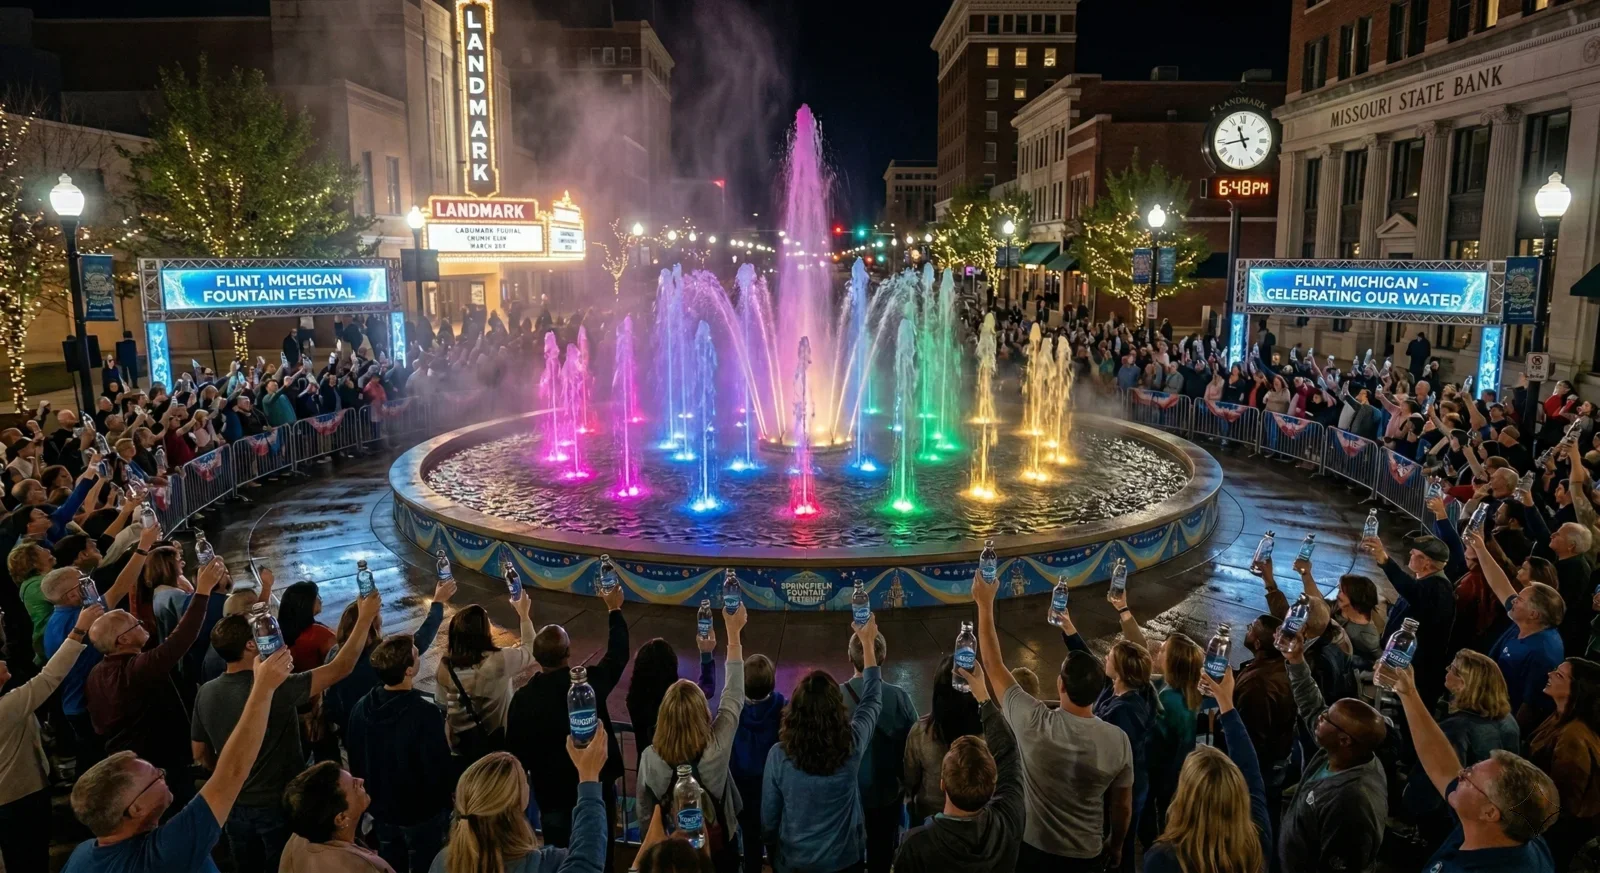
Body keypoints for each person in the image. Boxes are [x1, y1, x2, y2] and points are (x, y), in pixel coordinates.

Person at [188, 591, 380, 873]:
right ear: (252, 646)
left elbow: (200, 754)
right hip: (278, 803)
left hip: (233, 804)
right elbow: (341, 667)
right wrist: (364, 619)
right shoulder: (275, 687)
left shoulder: (206, 692)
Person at [63, 647, 294, 873]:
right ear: (135, 809)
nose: (164, 776)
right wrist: (264, 688)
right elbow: (232, 772)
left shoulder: (82, 854)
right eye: (156, 778)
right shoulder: (163, 853)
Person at [972, 569, 1133, 871]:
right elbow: (1122, 805)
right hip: (1086, 853)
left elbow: (993, 664)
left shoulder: (1034, 722)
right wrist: (1117, 842)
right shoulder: (1118, 740)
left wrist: (984, 603)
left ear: (1060, 685)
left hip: (1034, 849)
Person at [1385, 664, 1559, 872]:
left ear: (1490, 812)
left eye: (1468, 777)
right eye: (1470, 768)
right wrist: (1408, 693)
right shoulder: (1518, 831)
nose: (1460, 773)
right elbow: (1442, 764)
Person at [85, 557, 224, 806]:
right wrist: (203, 592)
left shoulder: (98, 671)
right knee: (177, 804)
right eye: (134, 624)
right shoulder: (137, 668)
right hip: (158, 758)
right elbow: (182, 638)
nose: (141, 624)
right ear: (122, 641)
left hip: (130, 757)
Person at [509, 582, 630, 853]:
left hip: (552, 799)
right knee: (601, 853)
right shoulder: (590, 685)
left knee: (561, 858)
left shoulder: (523, 700)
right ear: (568, 653)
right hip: (595, 791)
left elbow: (516, 756)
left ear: (538, 658)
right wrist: (614, 609)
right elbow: (618, 655)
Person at [762, 614, 883, 873]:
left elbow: (769, 820)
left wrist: (773, 855)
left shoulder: (778, 756)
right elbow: (872, 699)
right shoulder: (851, 744)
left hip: (794, 862)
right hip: (845, 861)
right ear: (836, 709)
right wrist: (868, 644)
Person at [636, 602, 747, 871]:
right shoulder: (715, 748)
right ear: (702, 715)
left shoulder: (650, 758)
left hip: (675, 855)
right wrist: (734, 634)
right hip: (720, 849)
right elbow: (732, 697)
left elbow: (644, 815)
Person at [892, 661, 1025, 873]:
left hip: (927, 813)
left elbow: (909, 780)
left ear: (944, 785)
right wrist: (983, 696)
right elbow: (1009, 752)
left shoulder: (915, 846)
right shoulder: (1008, 822)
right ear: (992, 786)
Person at [0, 602, 102, 870]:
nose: (3, 659)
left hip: (13, 797)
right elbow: (49, 678)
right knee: (29, 859)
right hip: (19, 797)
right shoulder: (6, 707)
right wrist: (79, 630)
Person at [1277, 631, 1388, 873]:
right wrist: (1296, 660)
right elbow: (1311, 703)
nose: (1320, 718)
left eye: (1327, 719)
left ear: (1345, 739)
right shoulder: (1340, 753)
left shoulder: (1353, 805)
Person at [348, 633, 459, 873]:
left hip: (381, 809)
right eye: (416, 654)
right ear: (408, 671)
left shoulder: (360, 708)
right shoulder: (424, 714)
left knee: (391, 861)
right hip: (420, 814)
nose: (419, 655)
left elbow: (356, 757)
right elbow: (438, 767)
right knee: (425, 860)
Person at [1143, 666, 1271, 873]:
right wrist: (1225, 702)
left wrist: (1226, 701)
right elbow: (1249, 766)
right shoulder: (1257, 840)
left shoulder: (1163, 859)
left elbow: (1249, 767)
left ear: (1185, 796)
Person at [1059, 598, 1154, 872]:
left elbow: (1108, 756)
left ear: (1122, 671)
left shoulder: (1123, 713)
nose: (1105, 659)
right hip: (1127, 784)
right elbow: (1088, 659)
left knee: (1119, 847)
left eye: (1110, 657)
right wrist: (1068, 626)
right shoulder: (1123, 688)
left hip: (1122, 790)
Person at [429, 736, 610, 873]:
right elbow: (587, 861)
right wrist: (589, 778)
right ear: (517, 803)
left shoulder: (442, 862)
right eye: (524, 780)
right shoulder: (547, 864)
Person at [1402, 649, 1521, 844]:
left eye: (1454, 669)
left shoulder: (1456, 728)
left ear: (1465, 684)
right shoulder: (1509, 720)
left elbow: (1432, 785)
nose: (1447, 670)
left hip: (1449, 819)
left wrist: (1411, 802)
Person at [322, 575, 453, 749]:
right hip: (381, 737)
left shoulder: (335, 655)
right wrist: (437, 603)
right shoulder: (379, 657)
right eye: (377, 615)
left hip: (353, 733)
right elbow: (420, 640)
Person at [1464, 529, 1566, 733]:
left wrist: (1507, 736)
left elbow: (1531, 706)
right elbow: (1500, 584)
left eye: (1520, 599)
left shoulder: (1542, 653)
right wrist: (1481, 548)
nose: (1513, 600)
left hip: (1499, 723)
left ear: (1534, 614)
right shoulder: (1526, 622)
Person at [843, 626, 919, 873]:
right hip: (888, 793)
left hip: (847, 795)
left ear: (849, 657)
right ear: (883, 658)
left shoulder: (836, 696)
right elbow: (913, 743)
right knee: (883, 854)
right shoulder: (899, 697)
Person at [436, 595, 535, 761]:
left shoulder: (445, 665)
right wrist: (524, 614)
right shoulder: (498, 661)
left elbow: (442, 704)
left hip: (461, 744)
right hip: (496, 740)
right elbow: (532, 649)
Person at [1363, 532, 1457, 704]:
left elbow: (1411, 591)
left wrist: (1384, 560)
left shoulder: (1439, 590)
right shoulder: (1424, 582)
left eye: (1414, 554)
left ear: (1426, 562)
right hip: (1399, 665)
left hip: (1417, 675)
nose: (1410, 555)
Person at [1526, 657, 1600, 866]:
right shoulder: (1560, 715)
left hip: (1553, 831)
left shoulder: (1573, 738)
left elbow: (1564, 803)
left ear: (1578, 690)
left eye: (1559, 675)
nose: (1549, 674)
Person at [903, 656, 982, 824]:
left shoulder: (921, 732)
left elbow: (910, 779)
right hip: (978, 819)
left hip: (928, 815)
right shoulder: (990, 733)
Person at [279, 761, 394, 872]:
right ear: (341, 818)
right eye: (354, 786)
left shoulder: (303, 830)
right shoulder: (366, 868)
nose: (361, 780)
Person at [731, 653, 785, 873]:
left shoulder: (734, 709)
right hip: (771, 787)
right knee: (775, 841)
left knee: (750, 841)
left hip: (741, 788)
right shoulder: (782, 706)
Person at [1146, 633, 1202, 830]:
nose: (1158, 652)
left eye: (1163, 650)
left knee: (1160, 819)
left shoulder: (1170, 701)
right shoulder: (1184, 691)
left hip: (1162, 774)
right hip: (1172, 774)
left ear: (1172, 662)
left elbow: (1154, 739)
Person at [628, 637, 718, 755]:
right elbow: (706, 687)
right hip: (680, 767)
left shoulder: (633, 700)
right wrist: (706, 653)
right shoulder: (679, 701)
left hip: (646, 768)